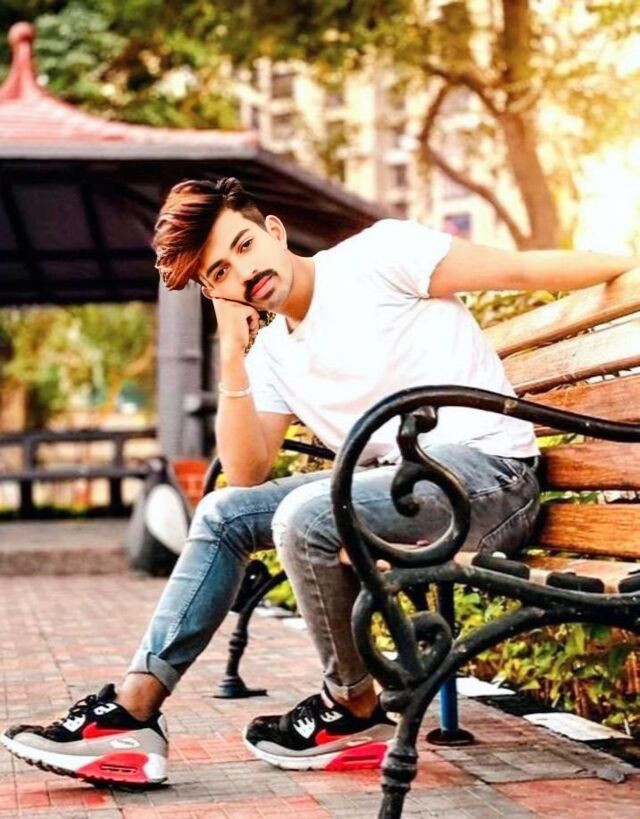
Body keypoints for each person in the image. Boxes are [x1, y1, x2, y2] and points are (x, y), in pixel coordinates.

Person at [3, 177, 638, 787]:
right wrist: (232, 354)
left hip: (491, 480)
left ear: (274, 232)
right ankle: (132, 713)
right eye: (220, 273)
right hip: (404, 487)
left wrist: (628, 266)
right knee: (224, 513)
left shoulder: (379, 256)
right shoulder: (271, 352)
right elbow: (247, 471)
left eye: (244, 246)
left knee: (308, 514)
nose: (244, 271)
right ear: (215, 292)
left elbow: (518, 270)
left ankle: (352, 708)